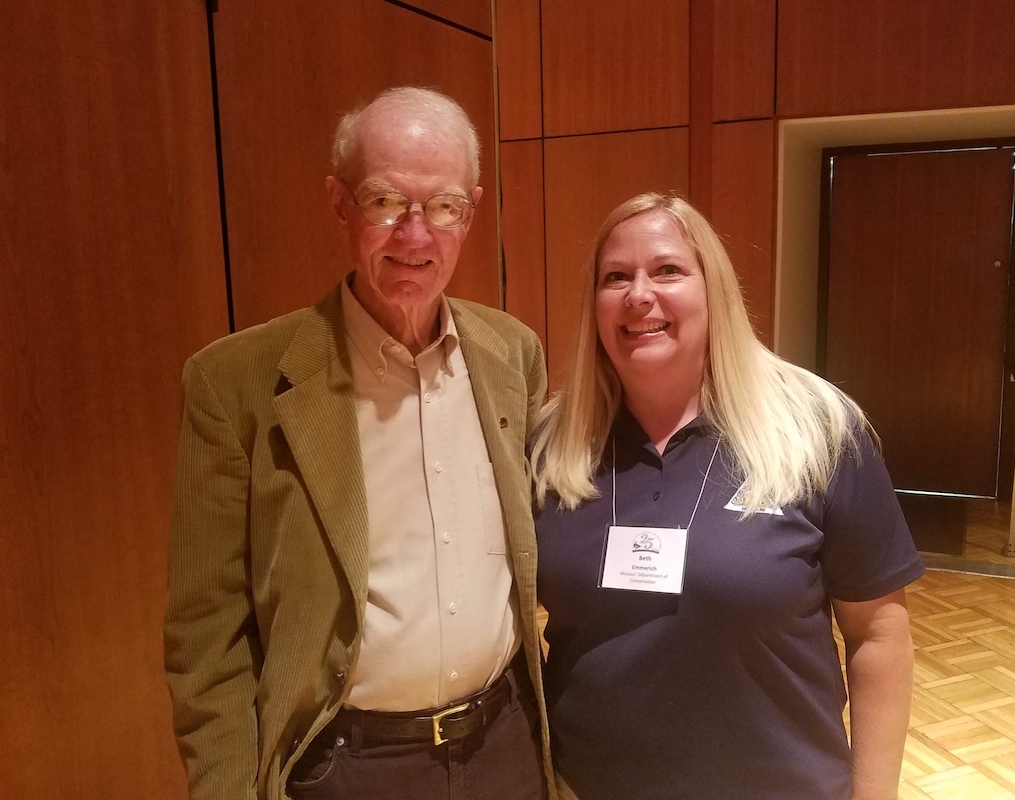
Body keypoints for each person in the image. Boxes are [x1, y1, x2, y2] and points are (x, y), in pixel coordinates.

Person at [164, 87, 553, 800]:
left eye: (442, 207)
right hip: (346, 767)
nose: (415, 237)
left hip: (506, 748)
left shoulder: (513, 354)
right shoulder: (234, 384)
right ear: (339, 203)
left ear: (471, 209)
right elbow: (206, 636)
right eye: (384, 203)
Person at [529, 192, 923, 800]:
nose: (639, 294)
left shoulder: (815, 428)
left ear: (714, 290)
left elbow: (879, 634)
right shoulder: (552, 447)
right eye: (615, 277)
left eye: (667, 270)